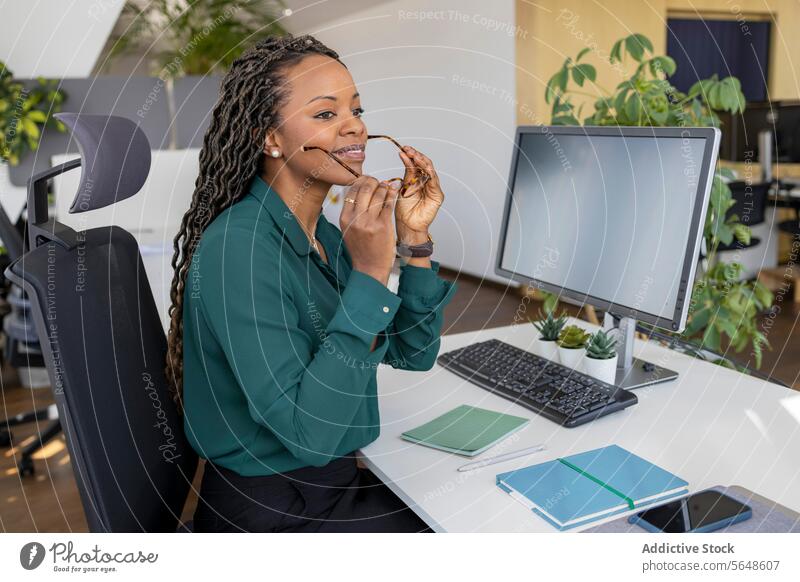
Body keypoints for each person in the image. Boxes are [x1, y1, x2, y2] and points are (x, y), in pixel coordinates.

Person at [164, 34, 457, 532]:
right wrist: (368, 273)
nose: (356, 127)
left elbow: (413, 351)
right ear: (270, 138)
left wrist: (414, 241)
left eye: (357, 109)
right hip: (276, 513)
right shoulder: (239, 249)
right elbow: (311, 433)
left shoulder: (321, 232)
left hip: (328, 484)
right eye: (326, 114)